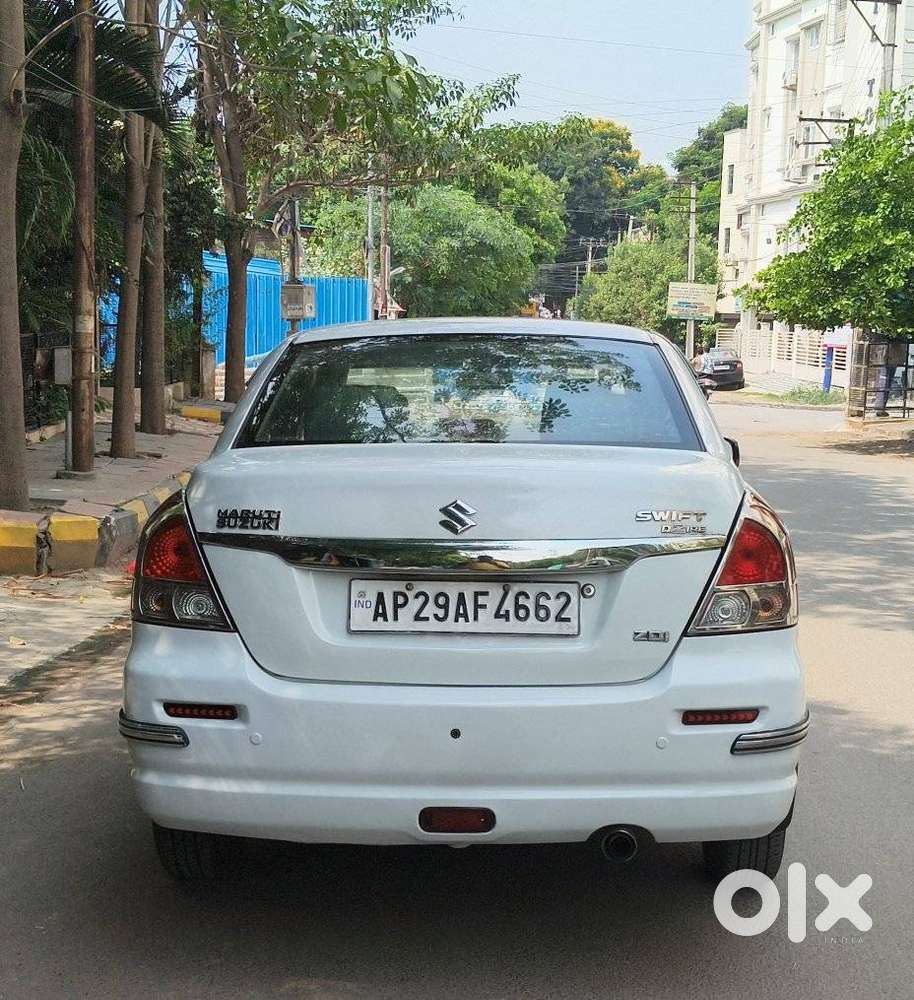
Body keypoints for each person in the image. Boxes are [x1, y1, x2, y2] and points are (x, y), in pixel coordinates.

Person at [873, 339, 909, 416]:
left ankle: (881, 407)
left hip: (892, 358)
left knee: (887, 382)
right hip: (887, 357)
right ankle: (880, 407)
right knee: (884, 381)